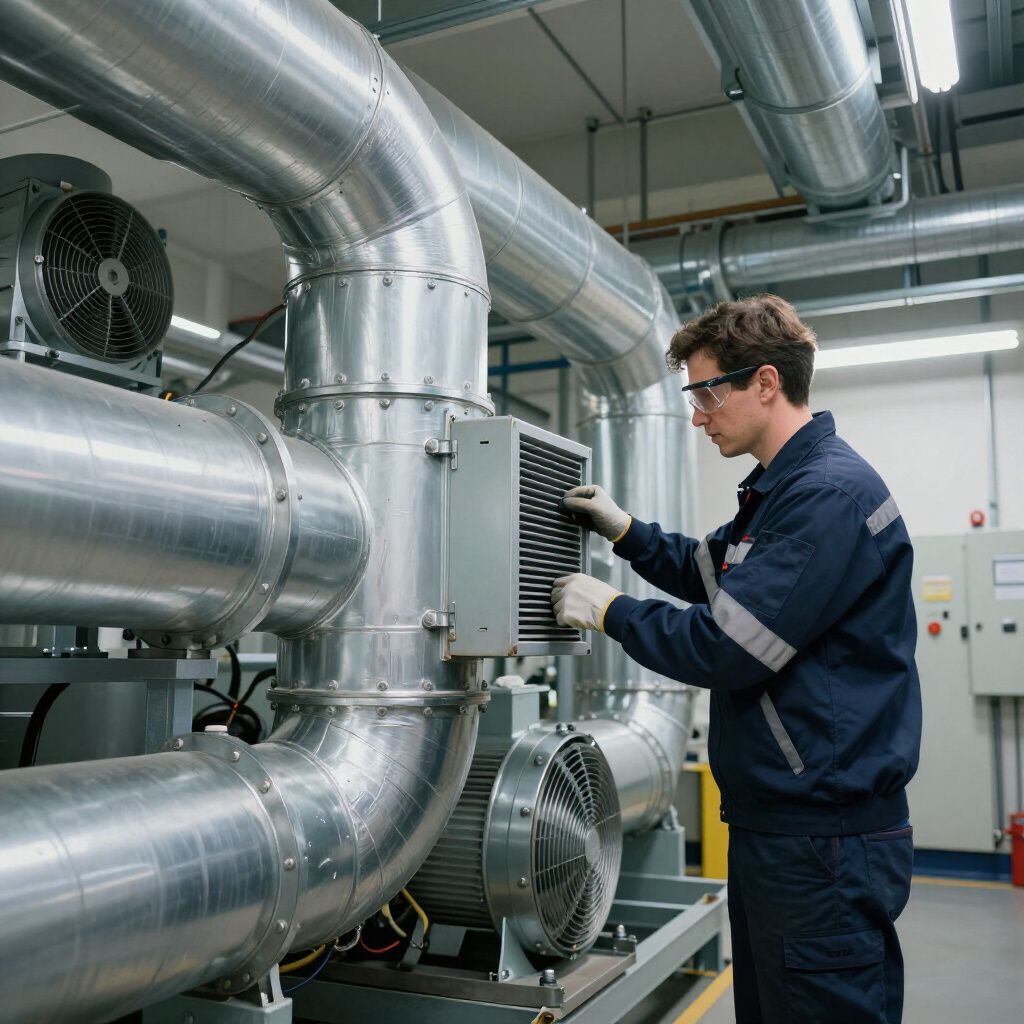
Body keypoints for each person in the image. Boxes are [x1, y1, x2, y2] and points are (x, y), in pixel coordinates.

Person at [551, 294, 921, 1024]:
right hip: (785, 824)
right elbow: (711, 569)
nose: (697, 414)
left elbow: (729, 644)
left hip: (821, 839)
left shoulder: (825, 496)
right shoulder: (783, 491)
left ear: (766, 383)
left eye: (708, 392)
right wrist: (626, 533)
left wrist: (611, 611)